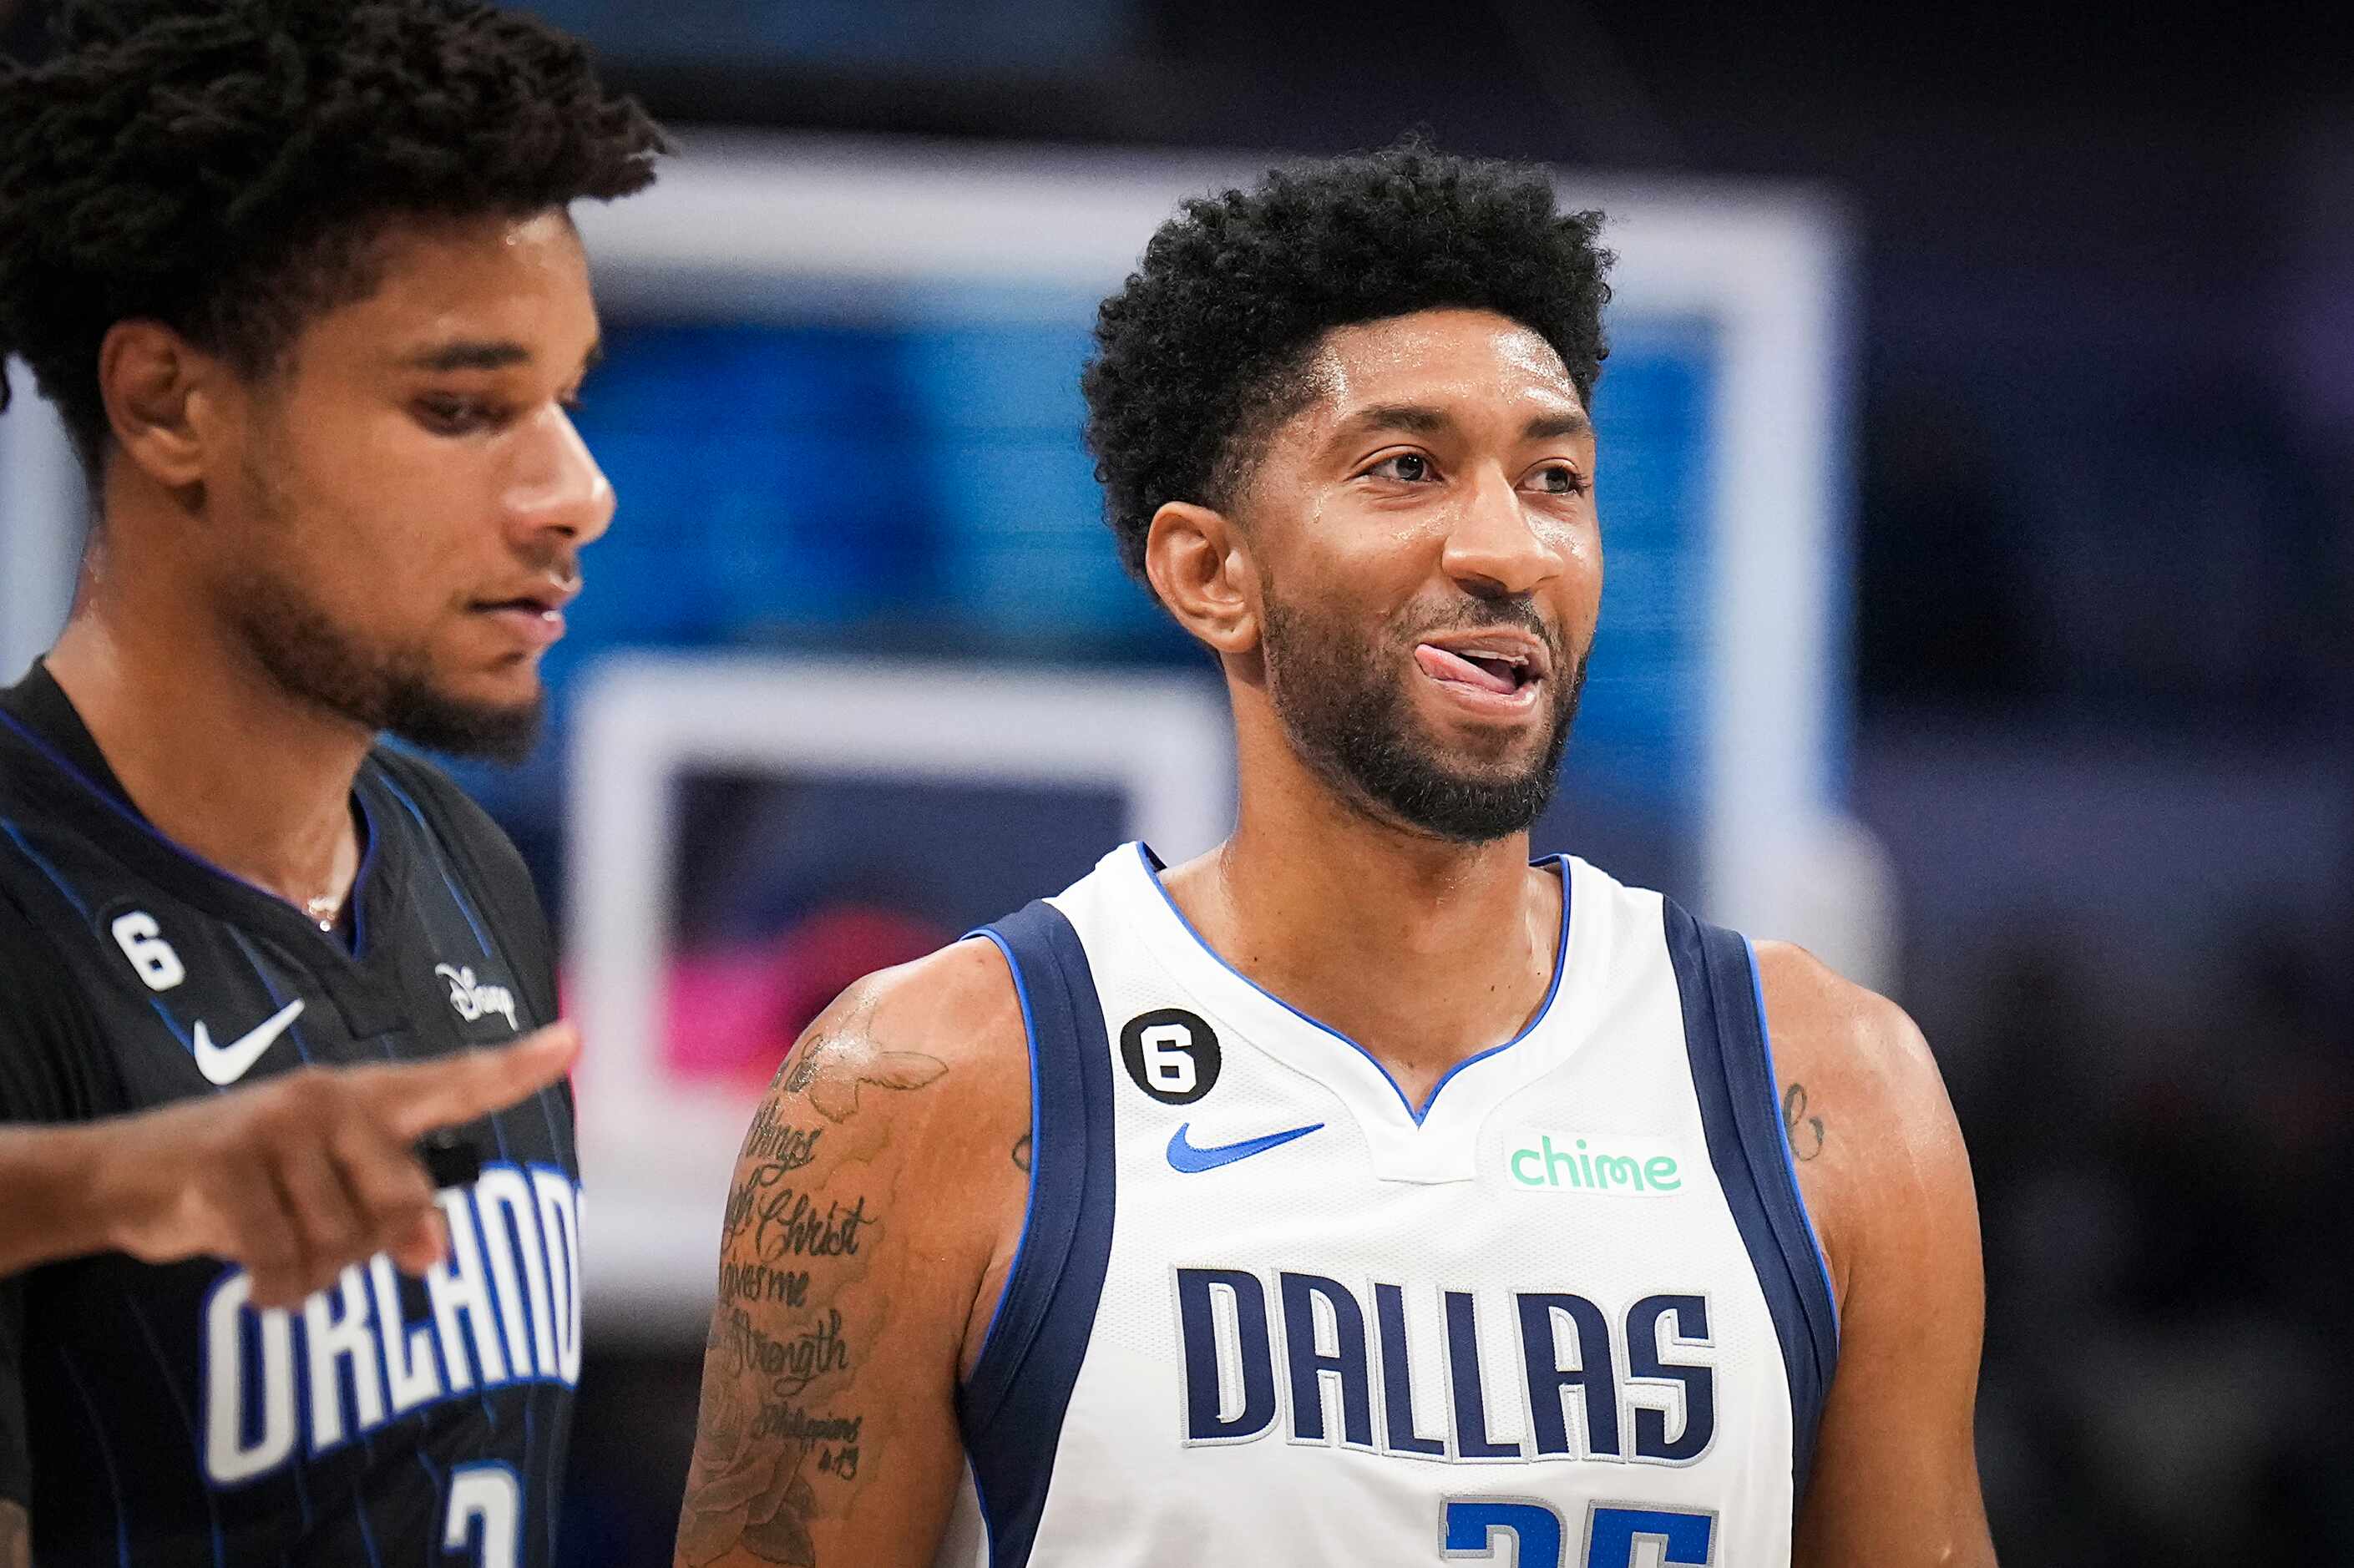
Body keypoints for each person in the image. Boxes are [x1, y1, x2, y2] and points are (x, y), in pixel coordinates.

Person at [674, 143, 1994, 1568]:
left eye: (1555, 477)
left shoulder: (1834, 1089)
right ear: (1209, 572)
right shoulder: (925, 1085)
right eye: (1408, 467)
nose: (1508, 548)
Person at [0, 0, 663, 1561]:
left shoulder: (460, 865)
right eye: (460, 407)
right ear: (171, 403)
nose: (579, 489)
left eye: (567, 395)